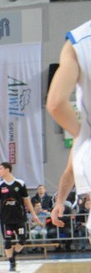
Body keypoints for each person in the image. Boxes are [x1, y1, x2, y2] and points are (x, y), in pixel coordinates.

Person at [47, 19, 91, 237]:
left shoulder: (79, 41)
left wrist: (82, 132)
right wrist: (60, 201)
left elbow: (55, 104)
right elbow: (70, 171)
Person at [0, 162, 42, 272]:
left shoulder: (20, 184)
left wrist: (34, 215)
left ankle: (12, 255)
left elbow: (27, 200)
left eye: (1, 169)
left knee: (23, 238)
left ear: (7, 170)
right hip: (6, 219)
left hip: (19, 217)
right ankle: (12, 263)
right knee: (8, 240)